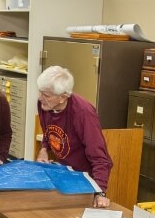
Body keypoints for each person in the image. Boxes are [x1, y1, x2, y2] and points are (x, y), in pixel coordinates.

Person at [34, 65, 112, 208]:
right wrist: (44, 148)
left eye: (46, 95)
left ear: (63, 97)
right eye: (40, 92)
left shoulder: (83, 114)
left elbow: (101, 159)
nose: (40, 98)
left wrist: (99, 192)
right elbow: (49, 131)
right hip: (65, 173)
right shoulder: (45, 105)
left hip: (85, 181)